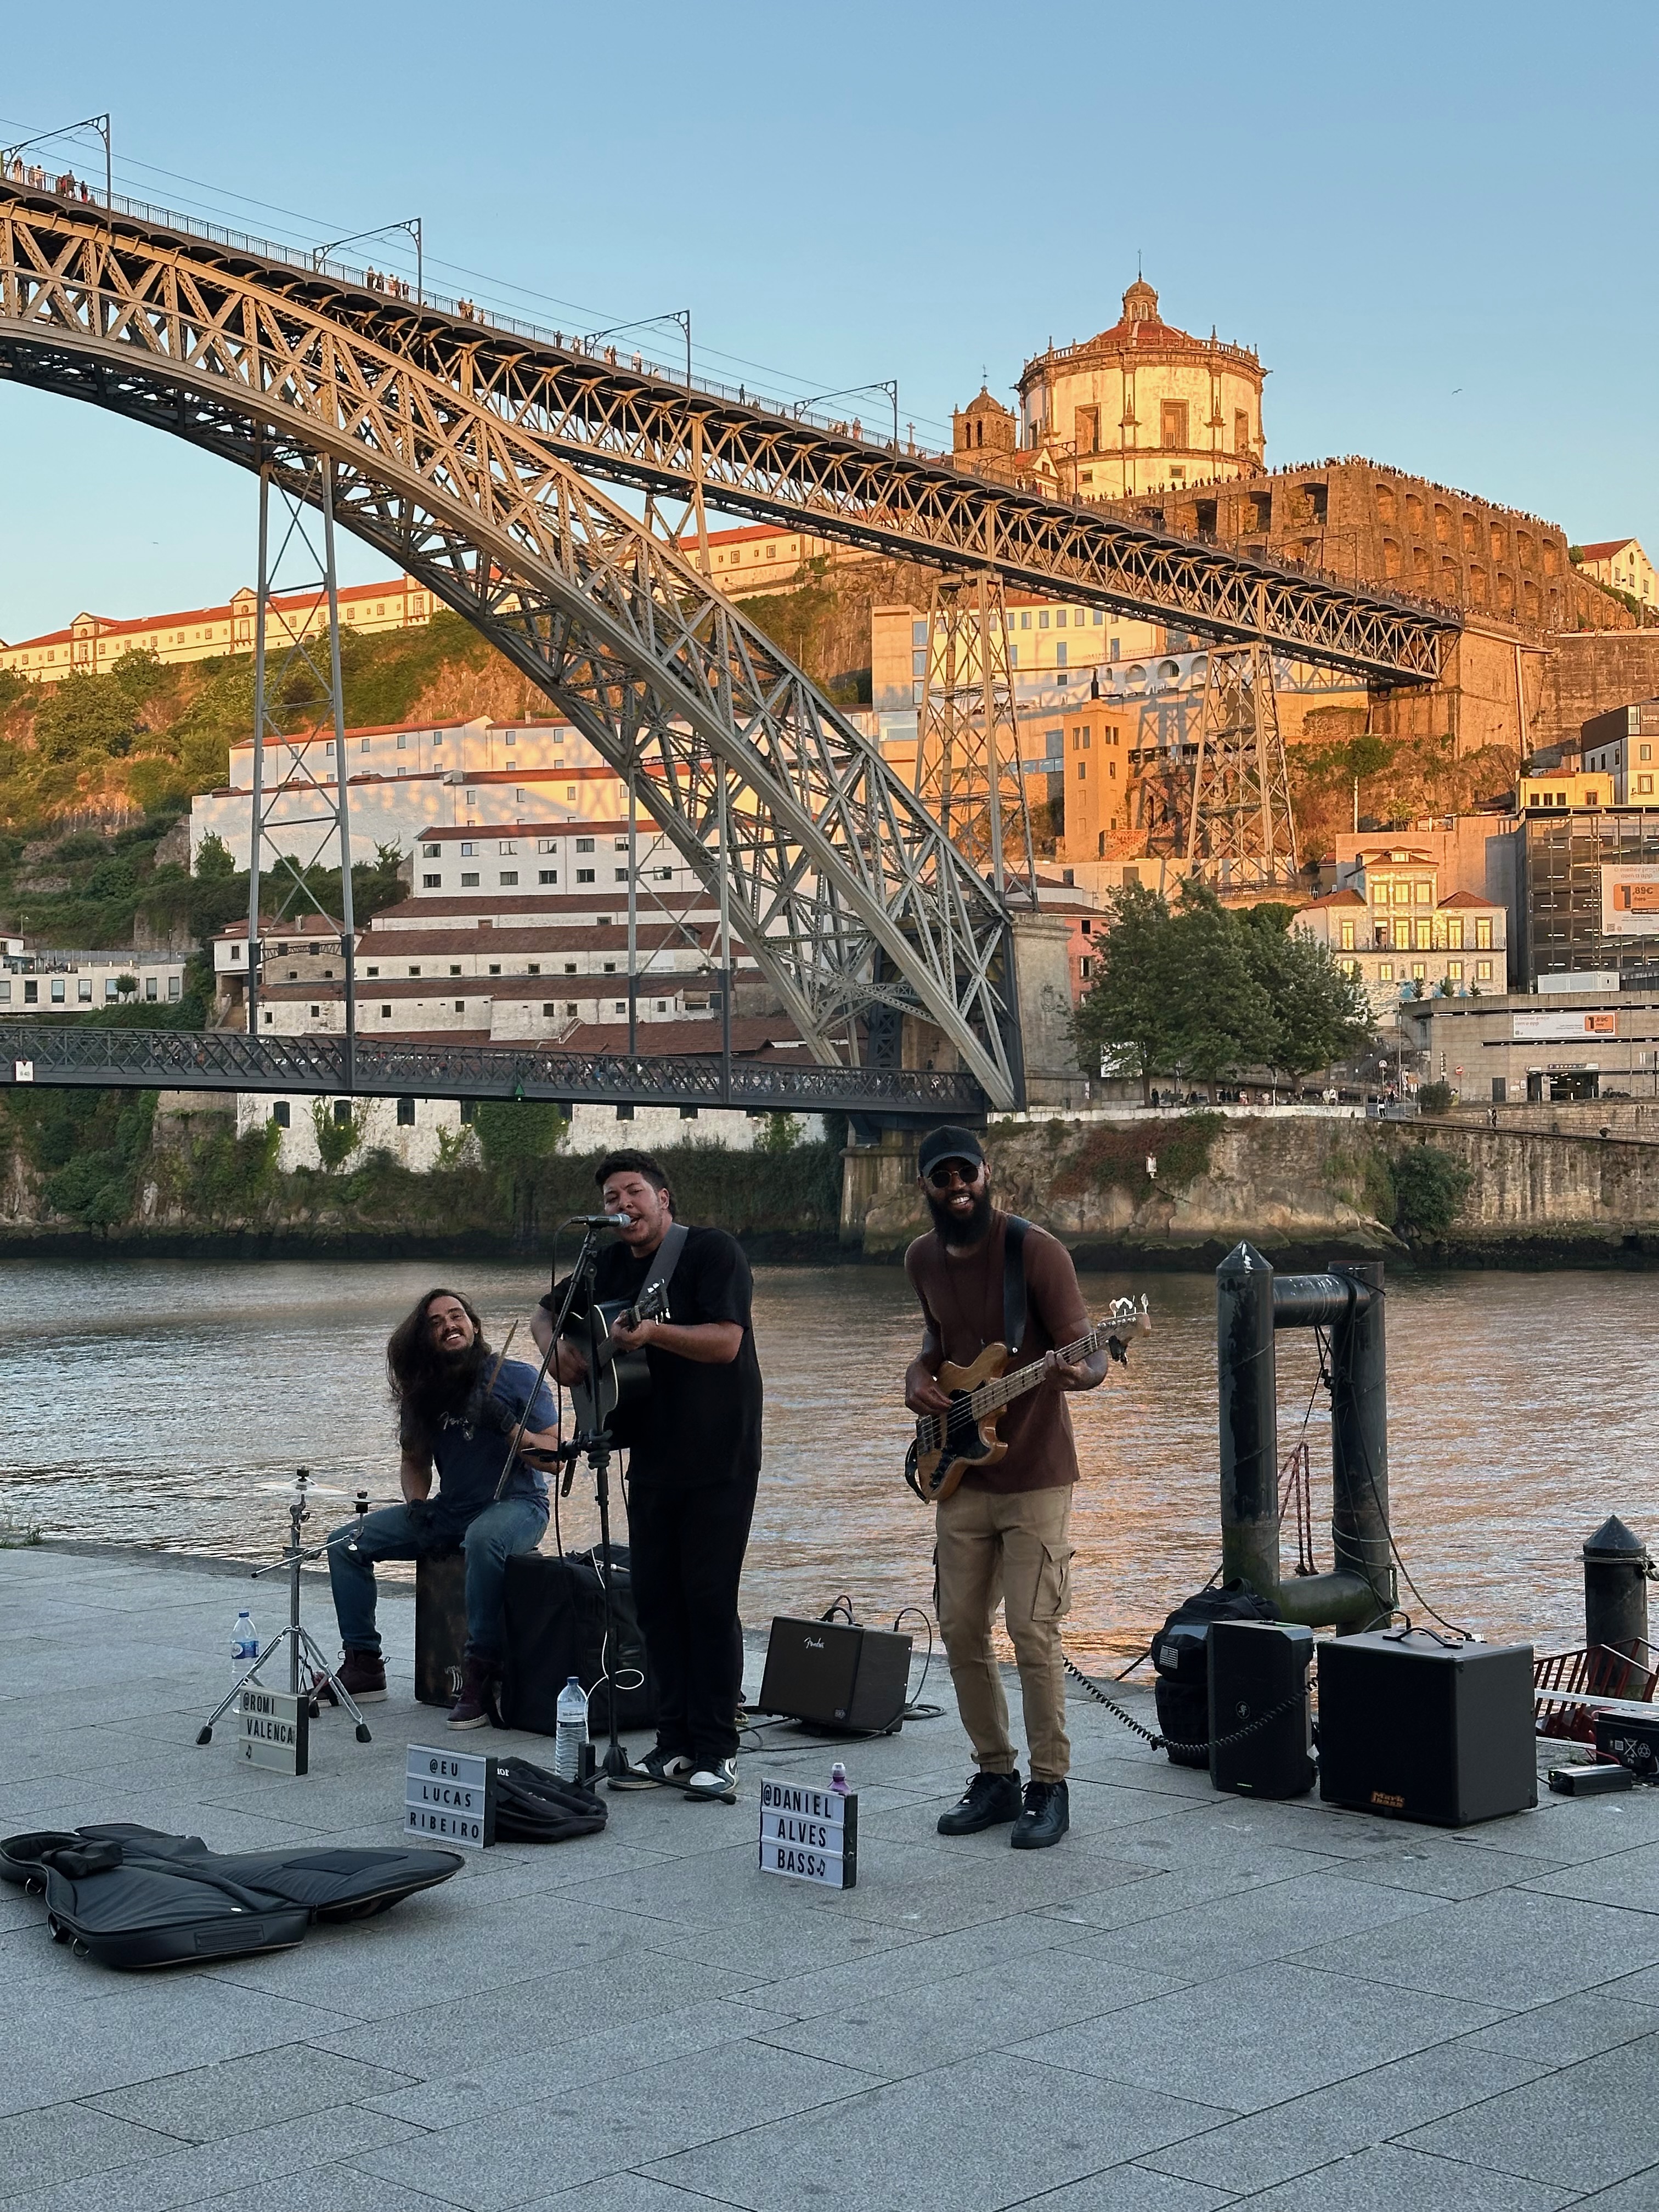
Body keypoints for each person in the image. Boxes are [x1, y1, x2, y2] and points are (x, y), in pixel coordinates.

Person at [532, 1149, 761, 1804]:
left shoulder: (712, 1252)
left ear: (664, 1198)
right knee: (658, 1598)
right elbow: (545, 1311)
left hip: (721, 1452)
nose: (621, 1206)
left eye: (633, 1193)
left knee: (709, 1598)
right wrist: (559, 1352)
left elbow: (726, 1342)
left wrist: (653, 1336)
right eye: (611, 1198)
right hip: (650, 1450)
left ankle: (716, 1748)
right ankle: (672, 1741)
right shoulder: (601, 1258)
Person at [902, 1127, 1109, 1849]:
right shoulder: (921, 1257)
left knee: (1031, 1630)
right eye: (943, 1178)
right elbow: (937, 1342)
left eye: (968, 1174)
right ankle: (995, 1776)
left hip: (1036, 1475)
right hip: (961, 1476)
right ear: (925, 1185)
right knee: (959, 1629)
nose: (958, 1187)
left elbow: (1092, 1349)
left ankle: (1049, 1785)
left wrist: (1082, 1373)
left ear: (988, 1175)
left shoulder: (1037, 1252)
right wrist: (917, 1378)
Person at [326, 1287, 560, 1728]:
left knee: (484, 1538)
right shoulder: (424, 1391)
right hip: (452, 1509)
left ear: (474, 1325)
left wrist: (508, 1426)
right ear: (426, 1339)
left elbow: (556, 1455)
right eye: (436, 1323)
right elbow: (413, 1461)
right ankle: (365, 1665)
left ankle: (481, 1670)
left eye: (456, 1316)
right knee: (346, 1544)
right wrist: (416, 1506)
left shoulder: (516, 1377)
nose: (449, 1326)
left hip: (517, 1505)